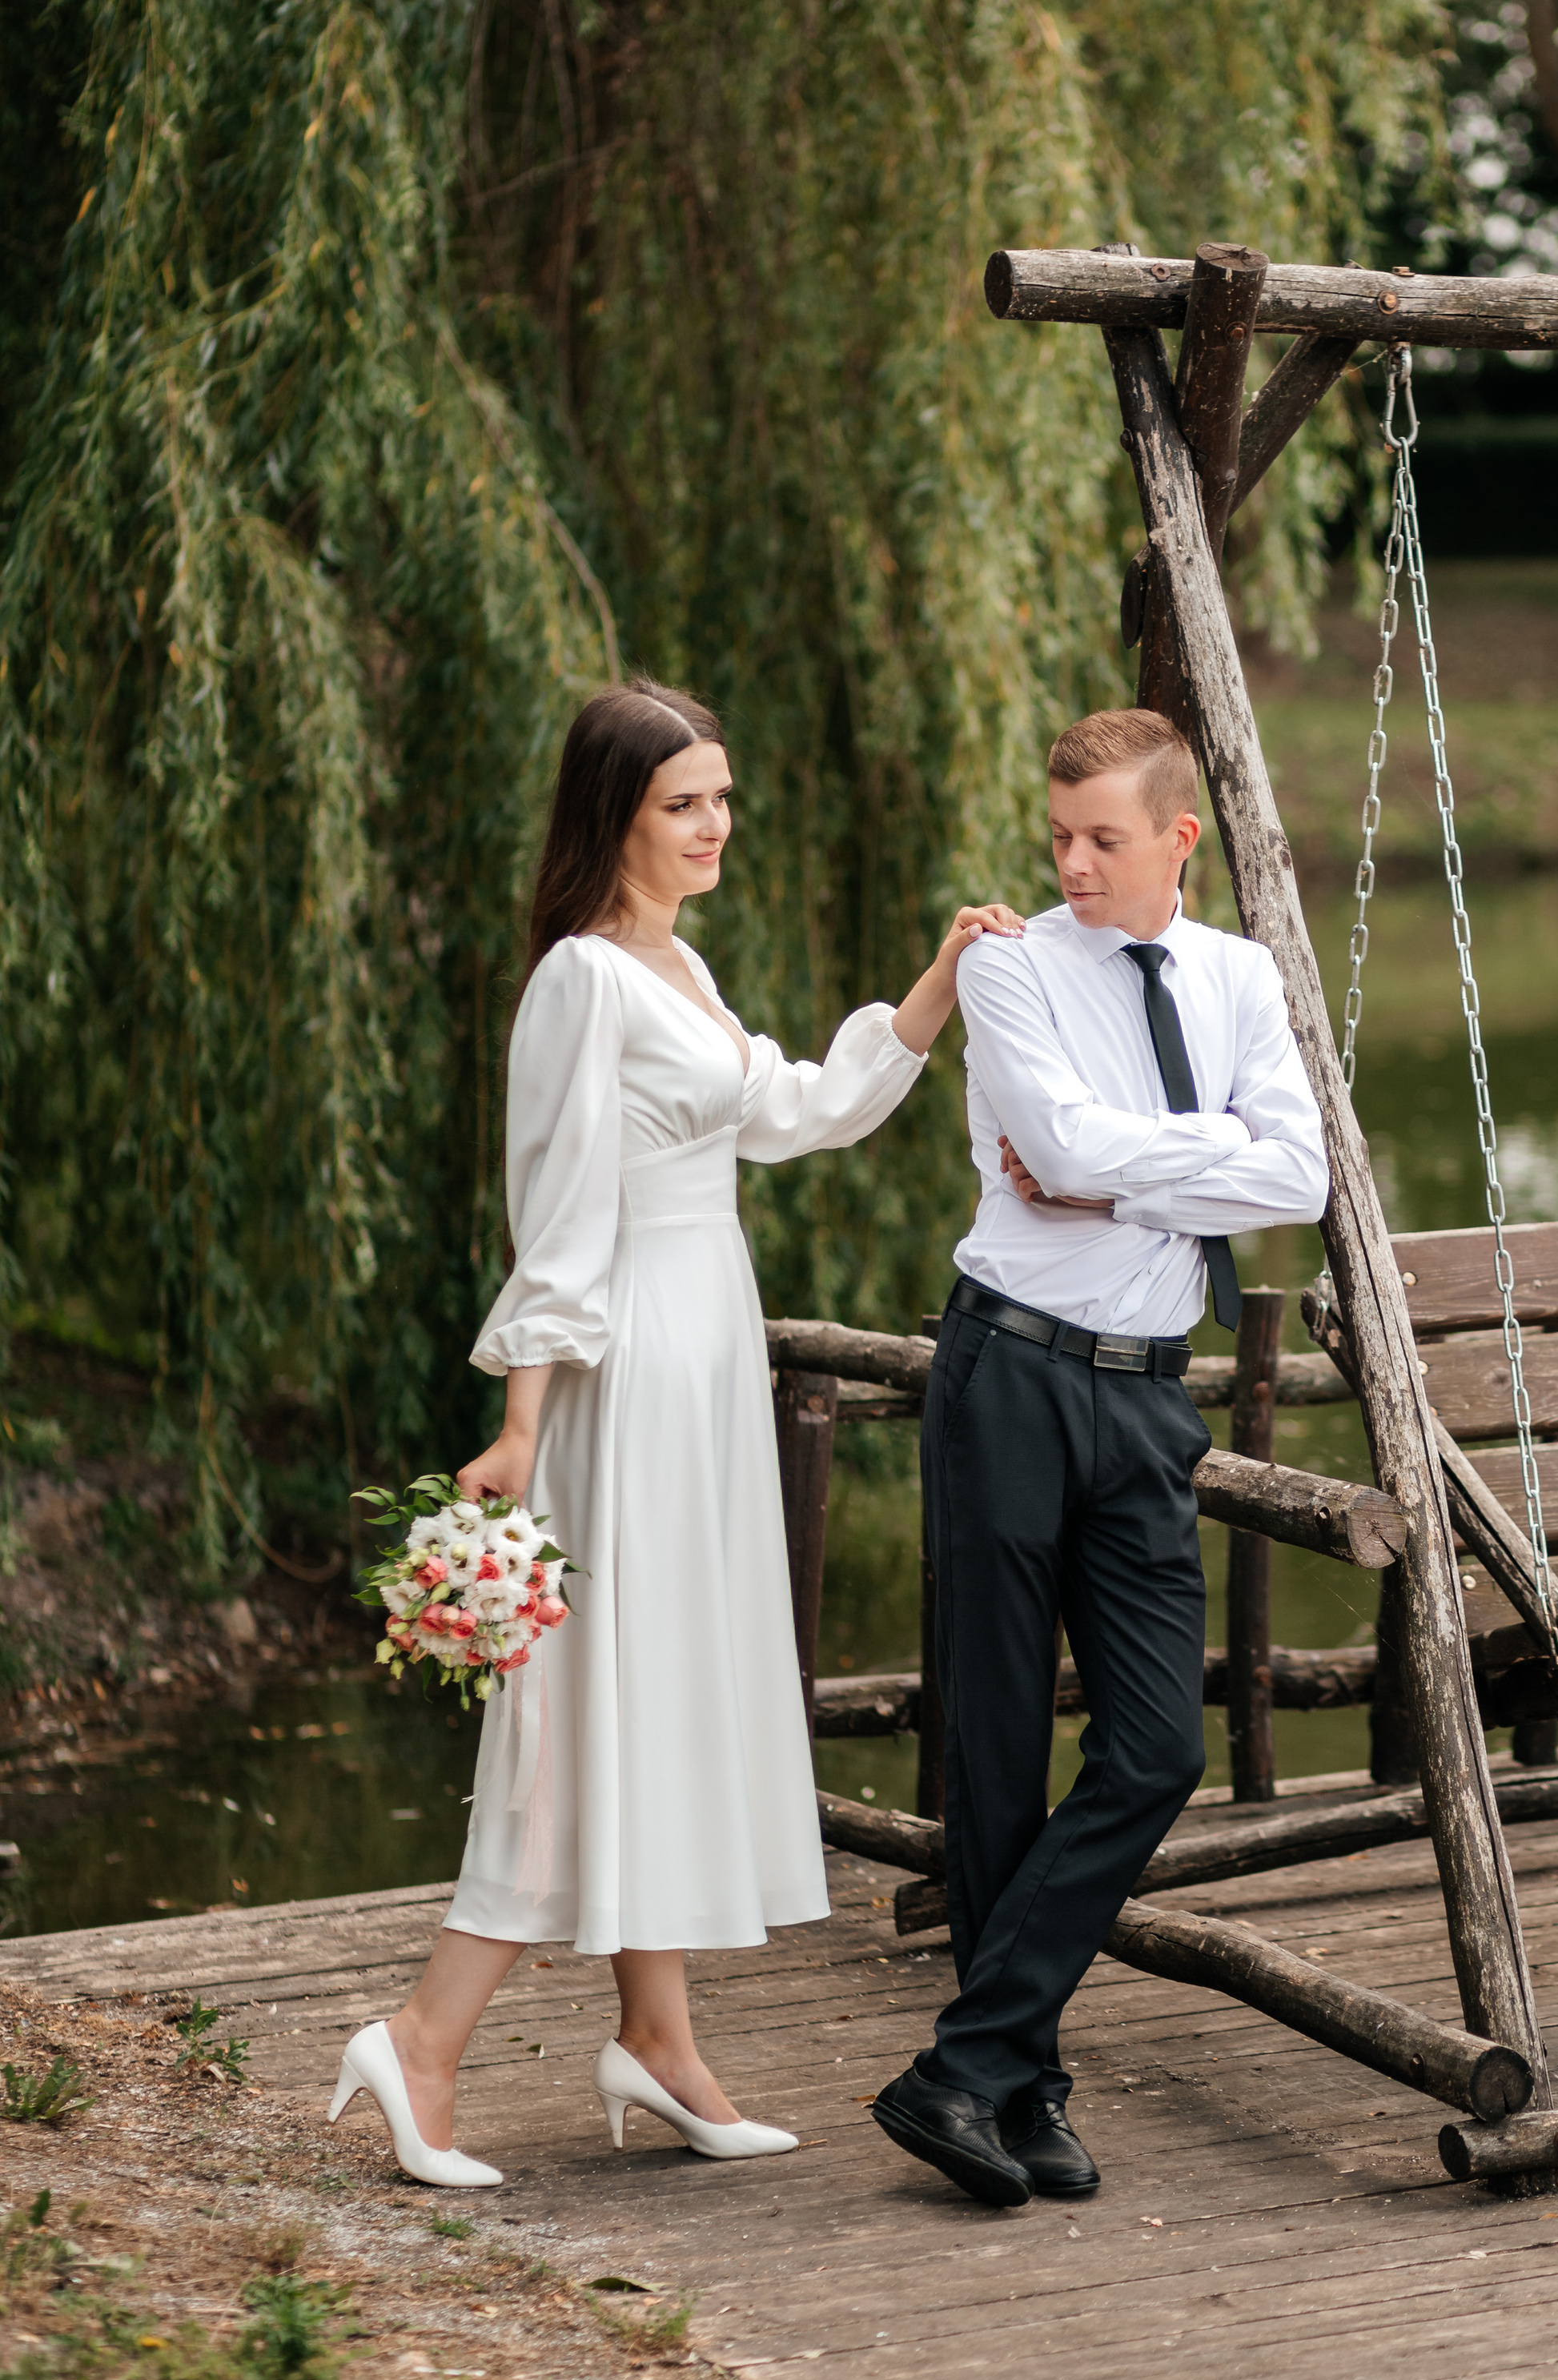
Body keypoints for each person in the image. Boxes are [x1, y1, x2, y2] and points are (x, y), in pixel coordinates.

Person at [331, 676, 1021, 2187]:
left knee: (660, 1690)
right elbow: (558, 1211)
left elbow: (785, 1111)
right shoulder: (583, 979)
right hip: (626, 1365)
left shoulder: (680, 968)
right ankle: (424, 2043)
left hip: (705, 1348)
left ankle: (659, 2042)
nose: (716, 825)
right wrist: (520, 1428)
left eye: (720, 796)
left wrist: (935, 988)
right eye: (682, 803)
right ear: (615, 816)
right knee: (587, 1705)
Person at [871, 707, 1329, 2207]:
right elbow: (1056, 1158)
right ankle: (1026, 2084)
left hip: (1145, 1400)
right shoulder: (1009, 966)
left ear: (1177, 839)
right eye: (1058, 835)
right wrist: (1183, 1162)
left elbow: (1301, 1172)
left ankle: (971, 2063)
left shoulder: (1245, 975)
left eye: (1103, 839)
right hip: (1006, 1375)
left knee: (1157, 1746)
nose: (1070, 862)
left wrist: (1123, 1175)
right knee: (998, 1748)